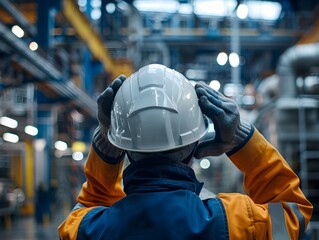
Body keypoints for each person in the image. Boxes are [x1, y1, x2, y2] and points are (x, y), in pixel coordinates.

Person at [58, 64, 313, 240]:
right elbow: (293, 213)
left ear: (125, 148)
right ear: (195, 145)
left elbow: (86, 208)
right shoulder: (237, 221)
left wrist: (107, 145)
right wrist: (241, 139)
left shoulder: (90, 230)